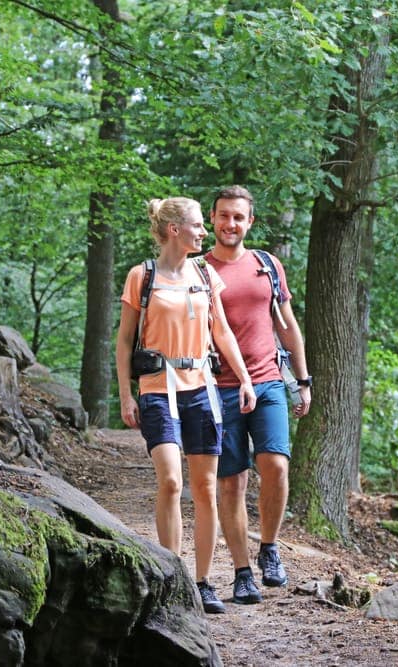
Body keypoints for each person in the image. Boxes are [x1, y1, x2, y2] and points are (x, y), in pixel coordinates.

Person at [115, 196, 256, 614]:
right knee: (172, 482)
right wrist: (126, 394)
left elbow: (222, 332)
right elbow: (124, 341)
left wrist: (244, 379)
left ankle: (202, 581)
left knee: (206, 487)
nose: (204, 231)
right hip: (158, 389)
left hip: (201, 389)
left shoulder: (205, 274)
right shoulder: (142, 276)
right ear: (175, 229)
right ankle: (173, 577)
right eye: (197, 225)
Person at [205, 185, 312, 605]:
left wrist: (302, 380)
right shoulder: (198, 270)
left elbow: (287, 324)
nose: (230, 223)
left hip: (268, 382)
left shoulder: (267, 265)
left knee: (276, 465)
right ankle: (242, 573)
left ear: (250, 222)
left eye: (238, 217)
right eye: (224, 215)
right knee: (231, 483)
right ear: (212, 218)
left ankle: (269, 547)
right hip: (219, 389)